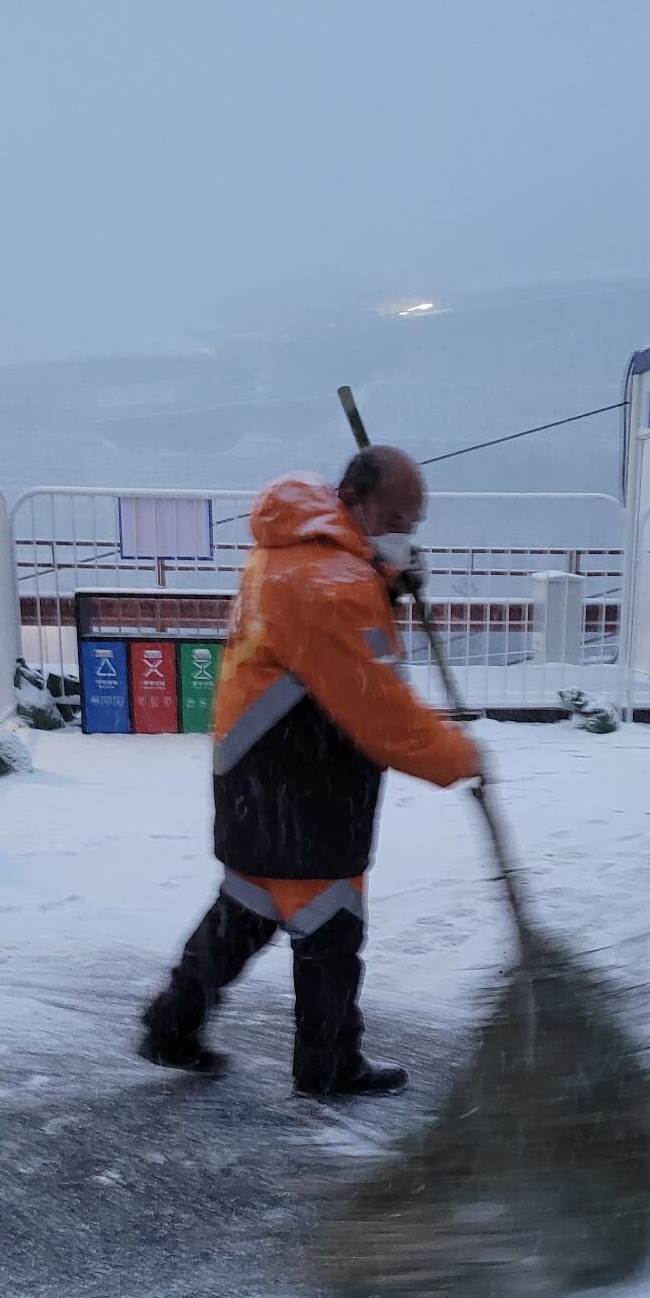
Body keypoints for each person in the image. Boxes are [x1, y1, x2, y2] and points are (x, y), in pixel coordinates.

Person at [140, 446, 482, 1098]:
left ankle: (171, 1026)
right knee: (329, 924)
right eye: (399, 519)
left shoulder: (300, 549)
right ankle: (328, 1064)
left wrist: (386, 578)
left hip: (259, 764)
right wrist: (458, 755)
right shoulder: (331, 583)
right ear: (357, 500)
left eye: (415, 524)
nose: (407, 535)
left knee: (247, 906)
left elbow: (327, 642)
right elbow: (379, 709)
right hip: (306, 773)